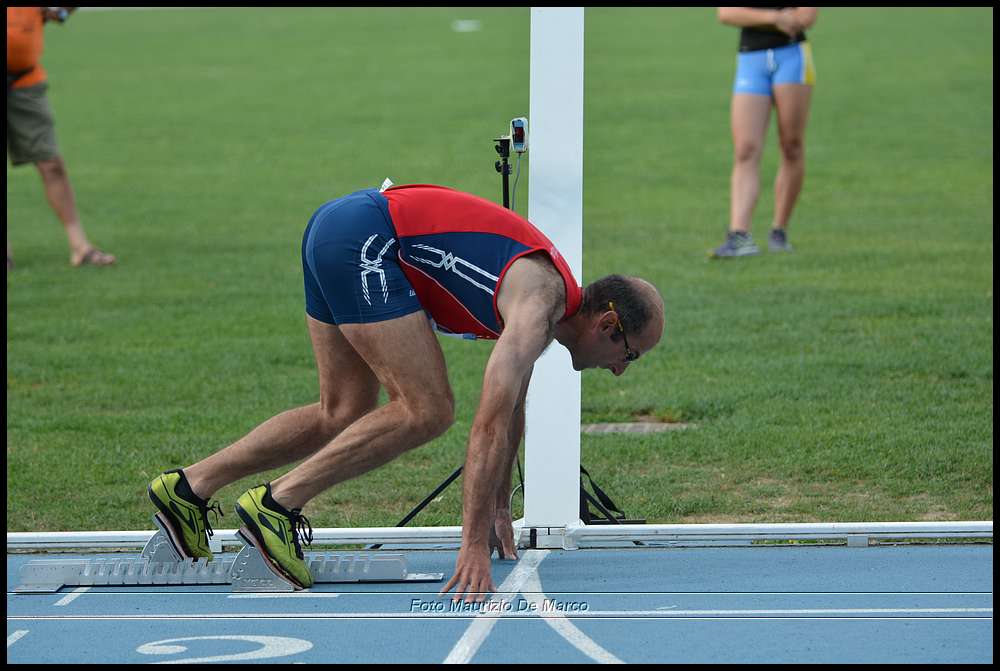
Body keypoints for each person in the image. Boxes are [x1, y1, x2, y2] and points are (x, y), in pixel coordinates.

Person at [147, 183, 666, 602]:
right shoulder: (540, 306)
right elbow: (487, 425)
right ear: (607, 325)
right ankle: (275, 506)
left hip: (342, 228)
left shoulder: (550, 305)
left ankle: (187, 489)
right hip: (366, 240)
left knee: (342, 409)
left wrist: (499, 507)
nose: (621, 371)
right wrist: (471, 545)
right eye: (631, 354)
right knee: (429, 410)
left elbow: (510, 417)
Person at [6, 6, 115, 270]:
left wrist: (59, 11)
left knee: (51, 163)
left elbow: (62, 11)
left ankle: (80, 247)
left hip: (25, 84)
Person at [712, 7, 818, 258]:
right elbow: (727, 14)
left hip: (792, 56)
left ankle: (779, 230)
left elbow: (806, 18)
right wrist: (776, 18)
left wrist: (753, 17)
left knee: (791, 146)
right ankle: (740, 236)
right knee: (745, 149)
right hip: (750, 58)